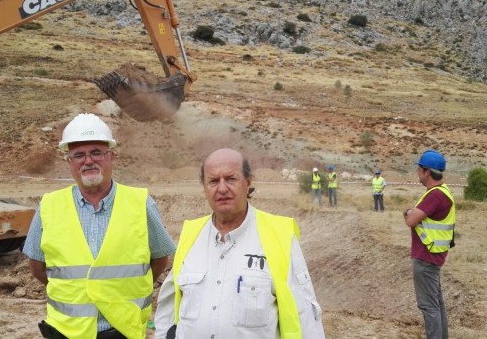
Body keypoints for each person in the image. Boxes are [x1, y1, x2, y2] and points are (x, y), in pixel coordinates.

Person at [22, 113, 176, 339]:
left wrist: (127, 290)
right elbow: (37, 267)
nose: (88, 161)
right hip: (66, 332)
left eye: (96, 152)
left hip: (123, 330)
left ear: (111, 156)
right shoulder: (48, 206)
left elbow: (160, 259)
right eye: (79, 155)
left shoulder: (140, 203)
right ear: (69, 162)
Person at [154, 148, 325, 339]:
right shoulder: (191, 235)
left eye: (231, 179)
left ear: (248, 182)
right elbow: (168, 309)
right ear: (204, 187)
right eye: (213, 181)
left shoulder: (279, 236)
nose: (222, 188)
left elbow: (306, 318)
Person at [403, 150, 456, 339]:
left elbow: (411, 220)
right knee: (436, 304)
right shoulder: (442, 191)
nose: (417, 173)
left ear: (426, 171)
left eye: (419, 169)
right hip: (434, 256)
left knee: (429, 306)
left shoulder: (435, 195)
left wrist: (409, 212)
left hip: (426, 258)